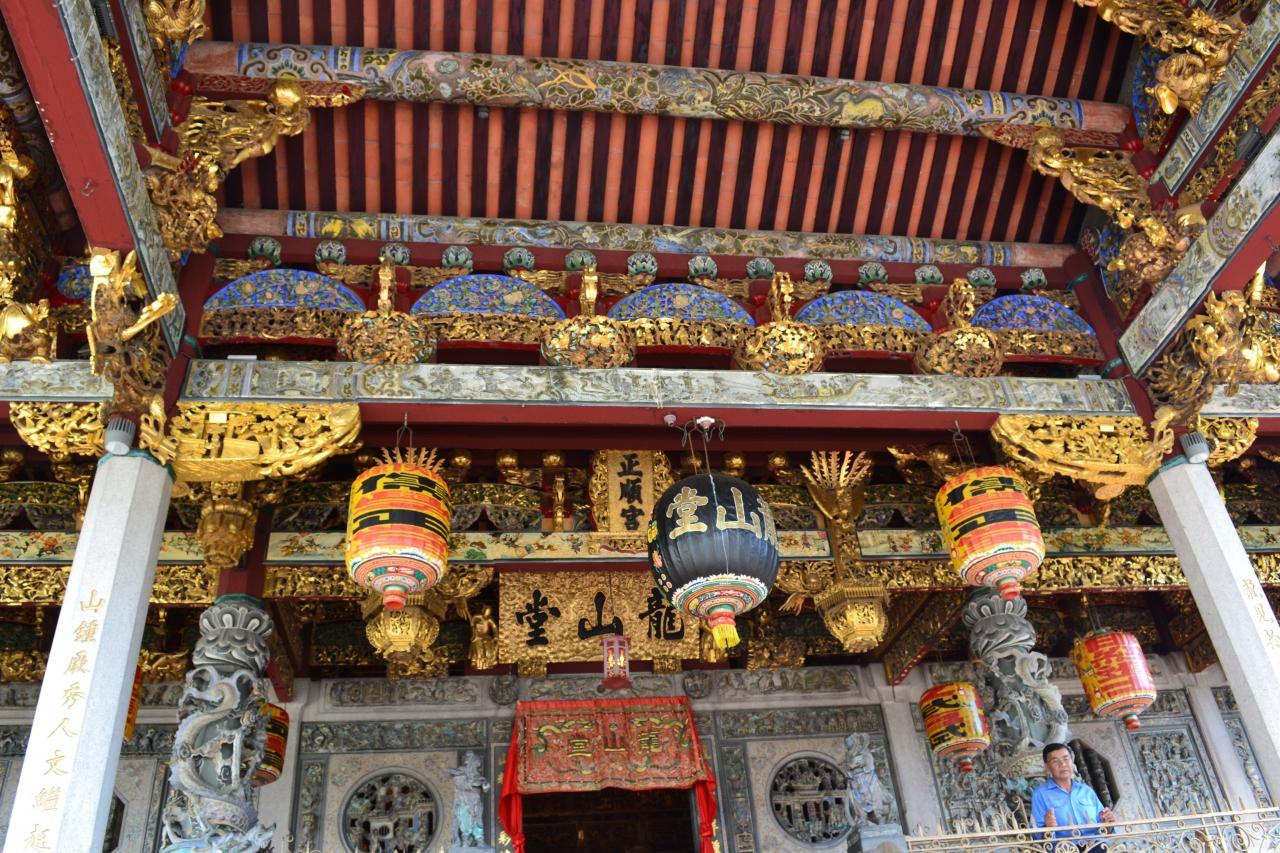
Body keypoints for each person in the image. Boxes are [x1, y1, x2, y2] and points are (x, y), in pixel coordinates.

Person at [1031, 743, 1115, 852]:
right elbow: (1036, 835)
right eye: (1055, 761)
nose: (1063, 764)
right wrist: (1047, 828)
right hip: (1064, 849)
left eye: (1066, 759)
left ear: (1072, 761)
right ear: (1047, 766)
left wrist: (1109, 822)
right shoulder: (1040, 794)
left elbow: (1105, 828)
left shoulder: (1086, 791)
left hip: (1096, 846)